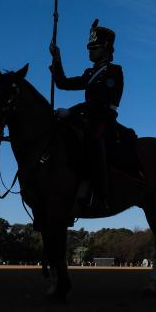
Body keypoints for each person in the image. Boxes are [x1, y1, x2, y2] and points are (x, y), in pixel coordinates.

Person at [49, 19, 123, 210]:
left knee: (93, 138)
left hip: (104, 118)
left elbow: (100, 101)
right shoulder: (90, 73)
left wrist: (71, 111)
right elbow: (63, 83)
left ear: (106, 48)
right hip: (87, 116)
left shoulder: (114, 71)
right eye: (89, 48)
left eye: (94, 48)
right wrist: (57, 59)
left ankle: (100, 195)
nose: (89, 51)